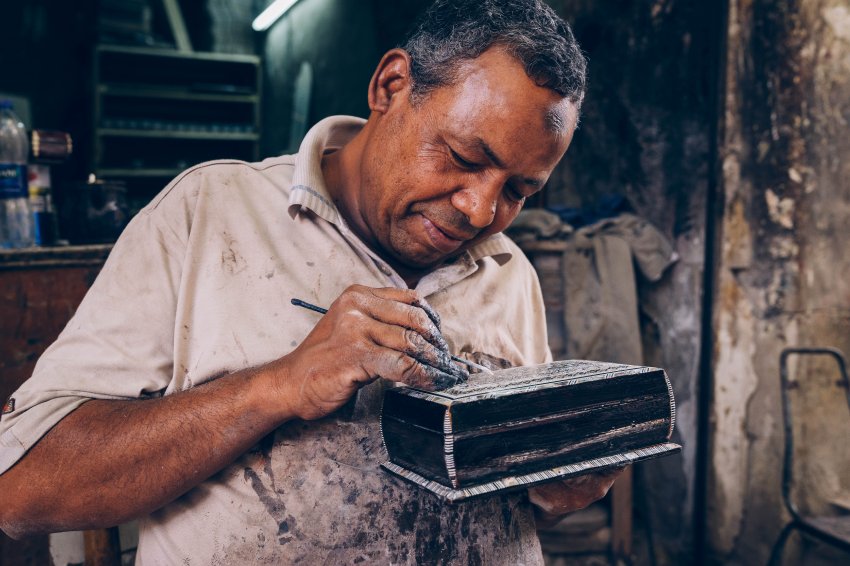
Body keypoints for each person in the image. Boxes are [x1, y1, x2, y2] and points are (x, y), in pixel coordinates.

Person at [0, 0, 621, 563]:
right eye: (463, 158)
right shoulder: (211, 212)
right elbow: (21, 489)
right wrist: (279, 385)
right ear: (392, 86)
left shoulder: (508, 271)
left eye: (518, 190)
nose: (480, 212)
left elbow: (516, 480)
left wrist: (553, 481)